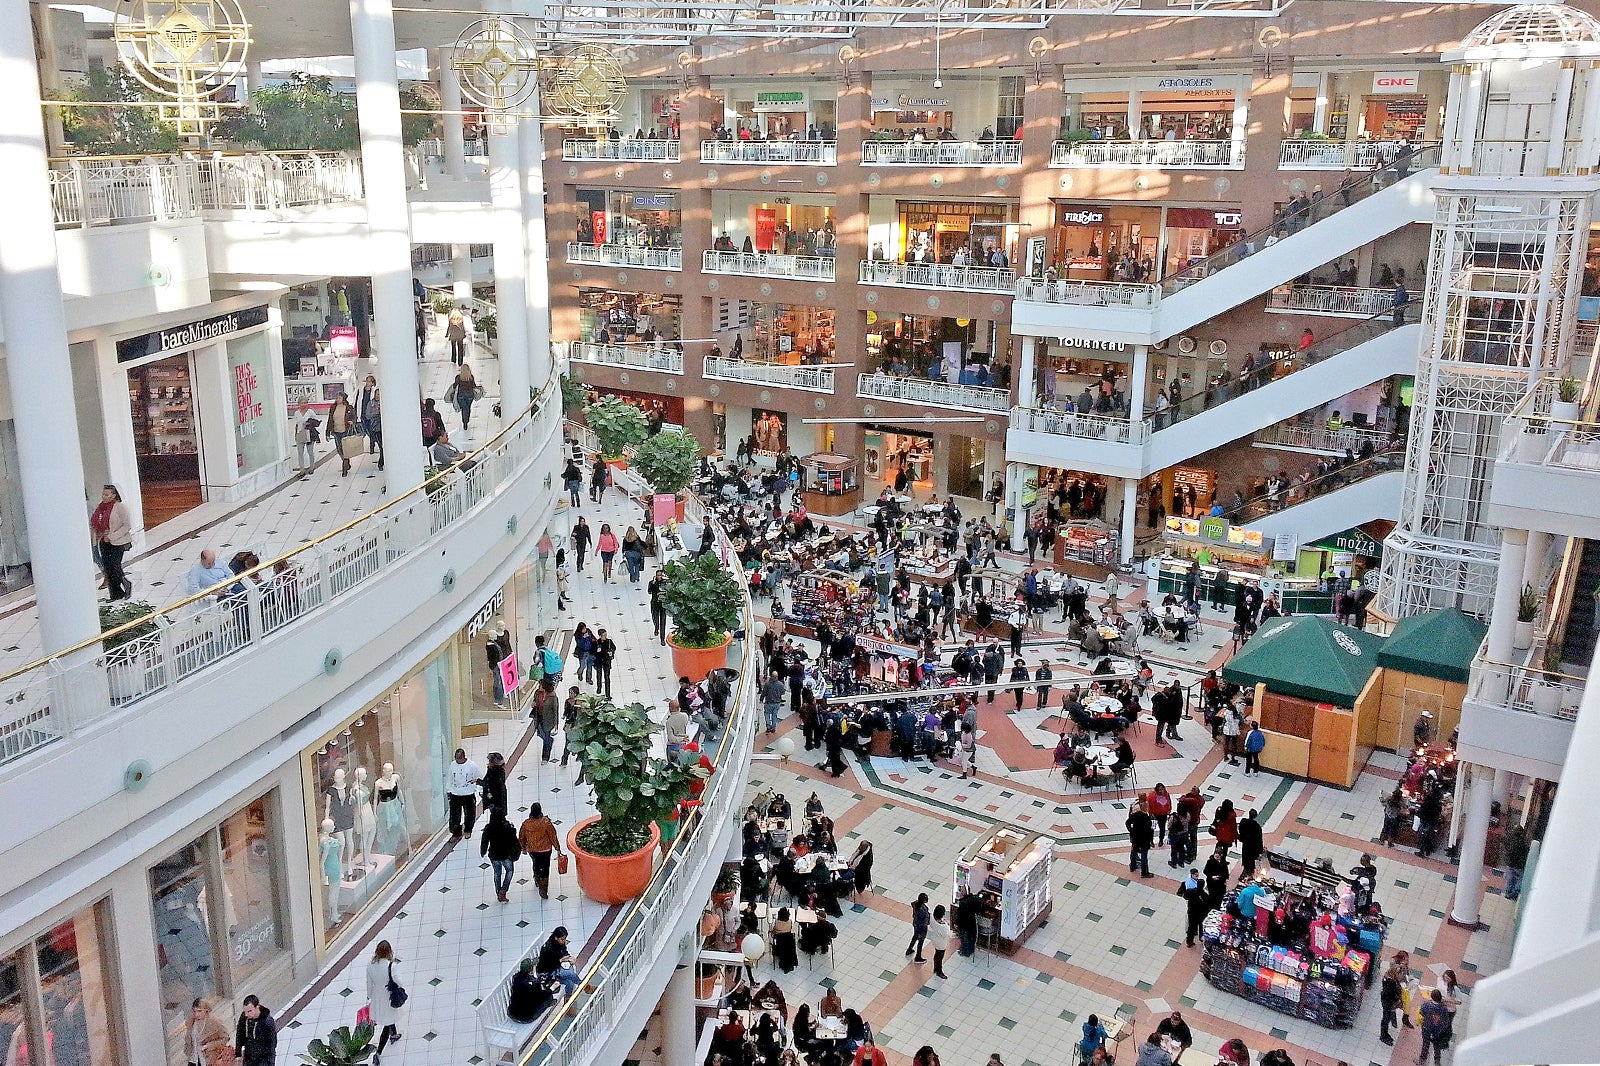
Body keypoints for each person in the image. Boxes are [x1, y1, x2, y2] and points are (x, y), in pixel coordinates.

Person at [90, 484, 133, 600]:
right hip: (103, 542)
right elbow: (95, 523)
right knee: (108, 568)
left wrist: (112, 536)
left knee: (115, 566)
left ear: (113, 495)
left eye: (107, 494)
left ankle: (126, 583)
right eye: (103, 494)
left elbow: (127, 526)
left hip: (117, 542)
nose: (104, 497)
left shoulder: (120, 507)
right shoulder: (100, 508)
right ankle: (115, 594)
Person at [366, 940, 405, 1063]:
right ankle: (378, 1053)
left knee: (389, 1018)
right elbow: (400, 982)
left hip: (377, 997)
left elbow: (369, 984)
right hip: (388, 997)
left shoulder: (370, 966)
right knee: (388, 1022)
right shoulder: (391, 966)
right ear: (389, 952)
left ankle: (394, 1034)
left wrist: (369, 996)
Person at [518, 802, 563, 899]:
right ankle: (543, 888)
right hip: (545, 849)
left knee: (536, 864)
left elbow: (521, 837)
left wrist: (523, 848)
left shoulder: (526, 824)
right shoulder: (546, 822)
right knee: (545, 867)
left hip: (532, 849)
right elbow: (553, 836)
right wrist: (557, 848)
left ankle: (537, 879)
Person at [480, 806, 521, 903]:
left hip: (493, 855)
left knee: (497, 873)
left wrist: (483, 851)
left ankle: (498, 891)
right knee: (509, 871)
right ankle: (503, 890)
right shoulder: (507, 827)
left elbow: (484, 841)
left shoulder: (489, 828)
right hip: (505, 854)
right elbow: (514, 840)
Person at [182, 996, 230, 1066]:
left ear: (206, 1010)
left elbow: (225, 1037)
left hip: (209, 1058)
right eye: (194, 1011)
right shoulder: (191, 1021)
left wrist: (209, 1046)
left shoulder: (214, 1022)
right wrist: (187, 1049)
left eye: (199, 1011)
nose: (197, 1014)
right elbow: (189, 1039)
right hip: (193, 1058)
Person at [446, 747, 482, 839]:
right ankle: (456, 832)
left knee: (469, 814)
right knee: (454, 815)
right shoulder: (453, 765)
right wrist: (448, 790)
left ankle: (468, 830)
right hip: (455, 794)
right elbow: (449, 778)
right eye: (456, 759)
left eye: (459, 759)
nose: (458, 761)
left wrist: (480, 790)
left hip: (468, 794)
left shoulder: (472, 765)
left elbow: (479, 778)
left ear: (463, 757)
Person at [536, 926, 583, 996]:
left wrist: (569, 957)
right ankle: (583, 985)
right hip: (547, 972)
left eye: (565, 939)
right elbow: (549, 965)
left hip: (556, 966)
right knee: (570, 973)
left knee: (569, 982)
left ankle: (568, 999)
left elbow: (564, 951)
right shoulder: (548, 949)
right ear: (556, 938)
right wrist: (561, 960)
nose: (564, 941)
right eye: (562, 939)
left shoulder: (560, 943)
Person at [233, 996, 278, 1066]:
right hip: (249, 1057)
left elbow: (272, 1044)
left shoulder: (267, 1022)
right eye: (245, 1011)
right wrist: (238, 1054)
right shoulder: (244, 1018)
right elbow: (240, 1035)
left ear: (257, 1007)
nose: (246, 1014)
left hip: (263, 1059)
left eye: (249, 1011)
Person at [506, 959, 554, 1023]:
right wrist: (552, 988)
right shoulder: (533, 983)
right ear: (531, 970)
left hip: (512, 1013)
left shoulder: (516, 978)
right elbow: (541, 996)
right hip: (526, 1018)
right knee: (548, 997)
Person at [1417, 988, 1451, 1065]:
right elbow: (1446, 1021)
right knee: (1437, 1044)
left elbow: (1421, 1013)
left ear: (1431, 996)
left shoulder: (1426, 1004)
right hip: (1438, 1029)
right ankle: (1437, 1061)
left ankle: (1422, 1060)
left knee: (1426, 1043)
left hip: (1427, 1027)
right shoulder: (1444, 1008)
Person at [1178, 869, 1210, 947]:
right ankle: (1201, 937)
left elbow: (1185, 896)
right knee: (1201, 925)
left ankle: (1189, 941)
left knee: (1191, 926)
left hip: (1192, 911)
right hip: (1201, 913)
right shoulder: (1204, 895)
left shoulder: (1191, 891)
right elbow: (1208, 904)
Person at [358, 374, 384, 468]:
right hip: (364, 414)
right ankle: (372, 443)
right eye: (367, 381)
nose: (368, 383)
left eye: (369, 381)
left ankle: (373, 444)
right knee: (368, 431)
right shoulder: (361, 390)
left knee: (373, 431)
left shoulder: (375, 392)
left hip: (373, 418)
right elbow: (359, 401)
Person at [1379, 958, 1405, 1044]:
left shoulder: (1388, 977)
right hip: (1387, 1002)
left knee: (1387, 1017)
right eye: (1398, 973)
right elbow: (1390, 993)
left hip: (1386, 1000)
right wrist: (1396, 998)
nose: (1399, 975)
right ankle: (1383, 1035)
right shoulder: (1391, 982)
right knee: (1385, 1018)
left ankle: (1385, 1034)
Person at [1126, 800, 1154, 878]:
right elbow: (1149, 831)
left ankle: (1132, 866)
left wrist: (1131, 831)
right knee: (1144, 856)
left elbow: (1127, 822)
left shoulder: (1136, 815)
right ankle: (1144, 872)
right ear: (1145, 808)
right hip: (1144, 840)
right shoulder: (1147, 818)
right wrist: (1151, 841)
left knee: (1134, 852)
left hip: (1136, 838)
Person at [1238, 808, 1264, 878]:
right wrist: (1260, 850)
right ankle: (1249, 873)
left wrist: (1242, 838)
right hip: (1253, 846)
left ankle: (1245, 871)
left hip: (1246, 844)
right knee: (1251, 859)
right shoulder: (1257, 826)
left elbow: (1240, 830)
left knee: (1246, 857)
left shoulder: (1243, 821)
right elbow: (1259, 839)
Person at [906, 892, 931, 962]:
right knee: (921, 941)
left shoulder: (916, 904)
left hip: (916, 925)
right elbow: (924, 919)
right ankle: (918, 957)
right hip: (921, 927)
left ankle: (909, 949)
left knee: (915, 937)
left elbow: (912, 904)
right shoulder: (922, 909)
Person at [928, 903, 951, 978]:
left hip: (934, 939)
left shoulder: (932, 917)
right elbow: (944, 934)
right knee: (940, 956)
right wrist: (946, 923)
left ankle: (936, 968)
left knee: (936, 954)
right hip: (941, 943)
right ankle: (939, 970)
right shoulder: (943, 926)